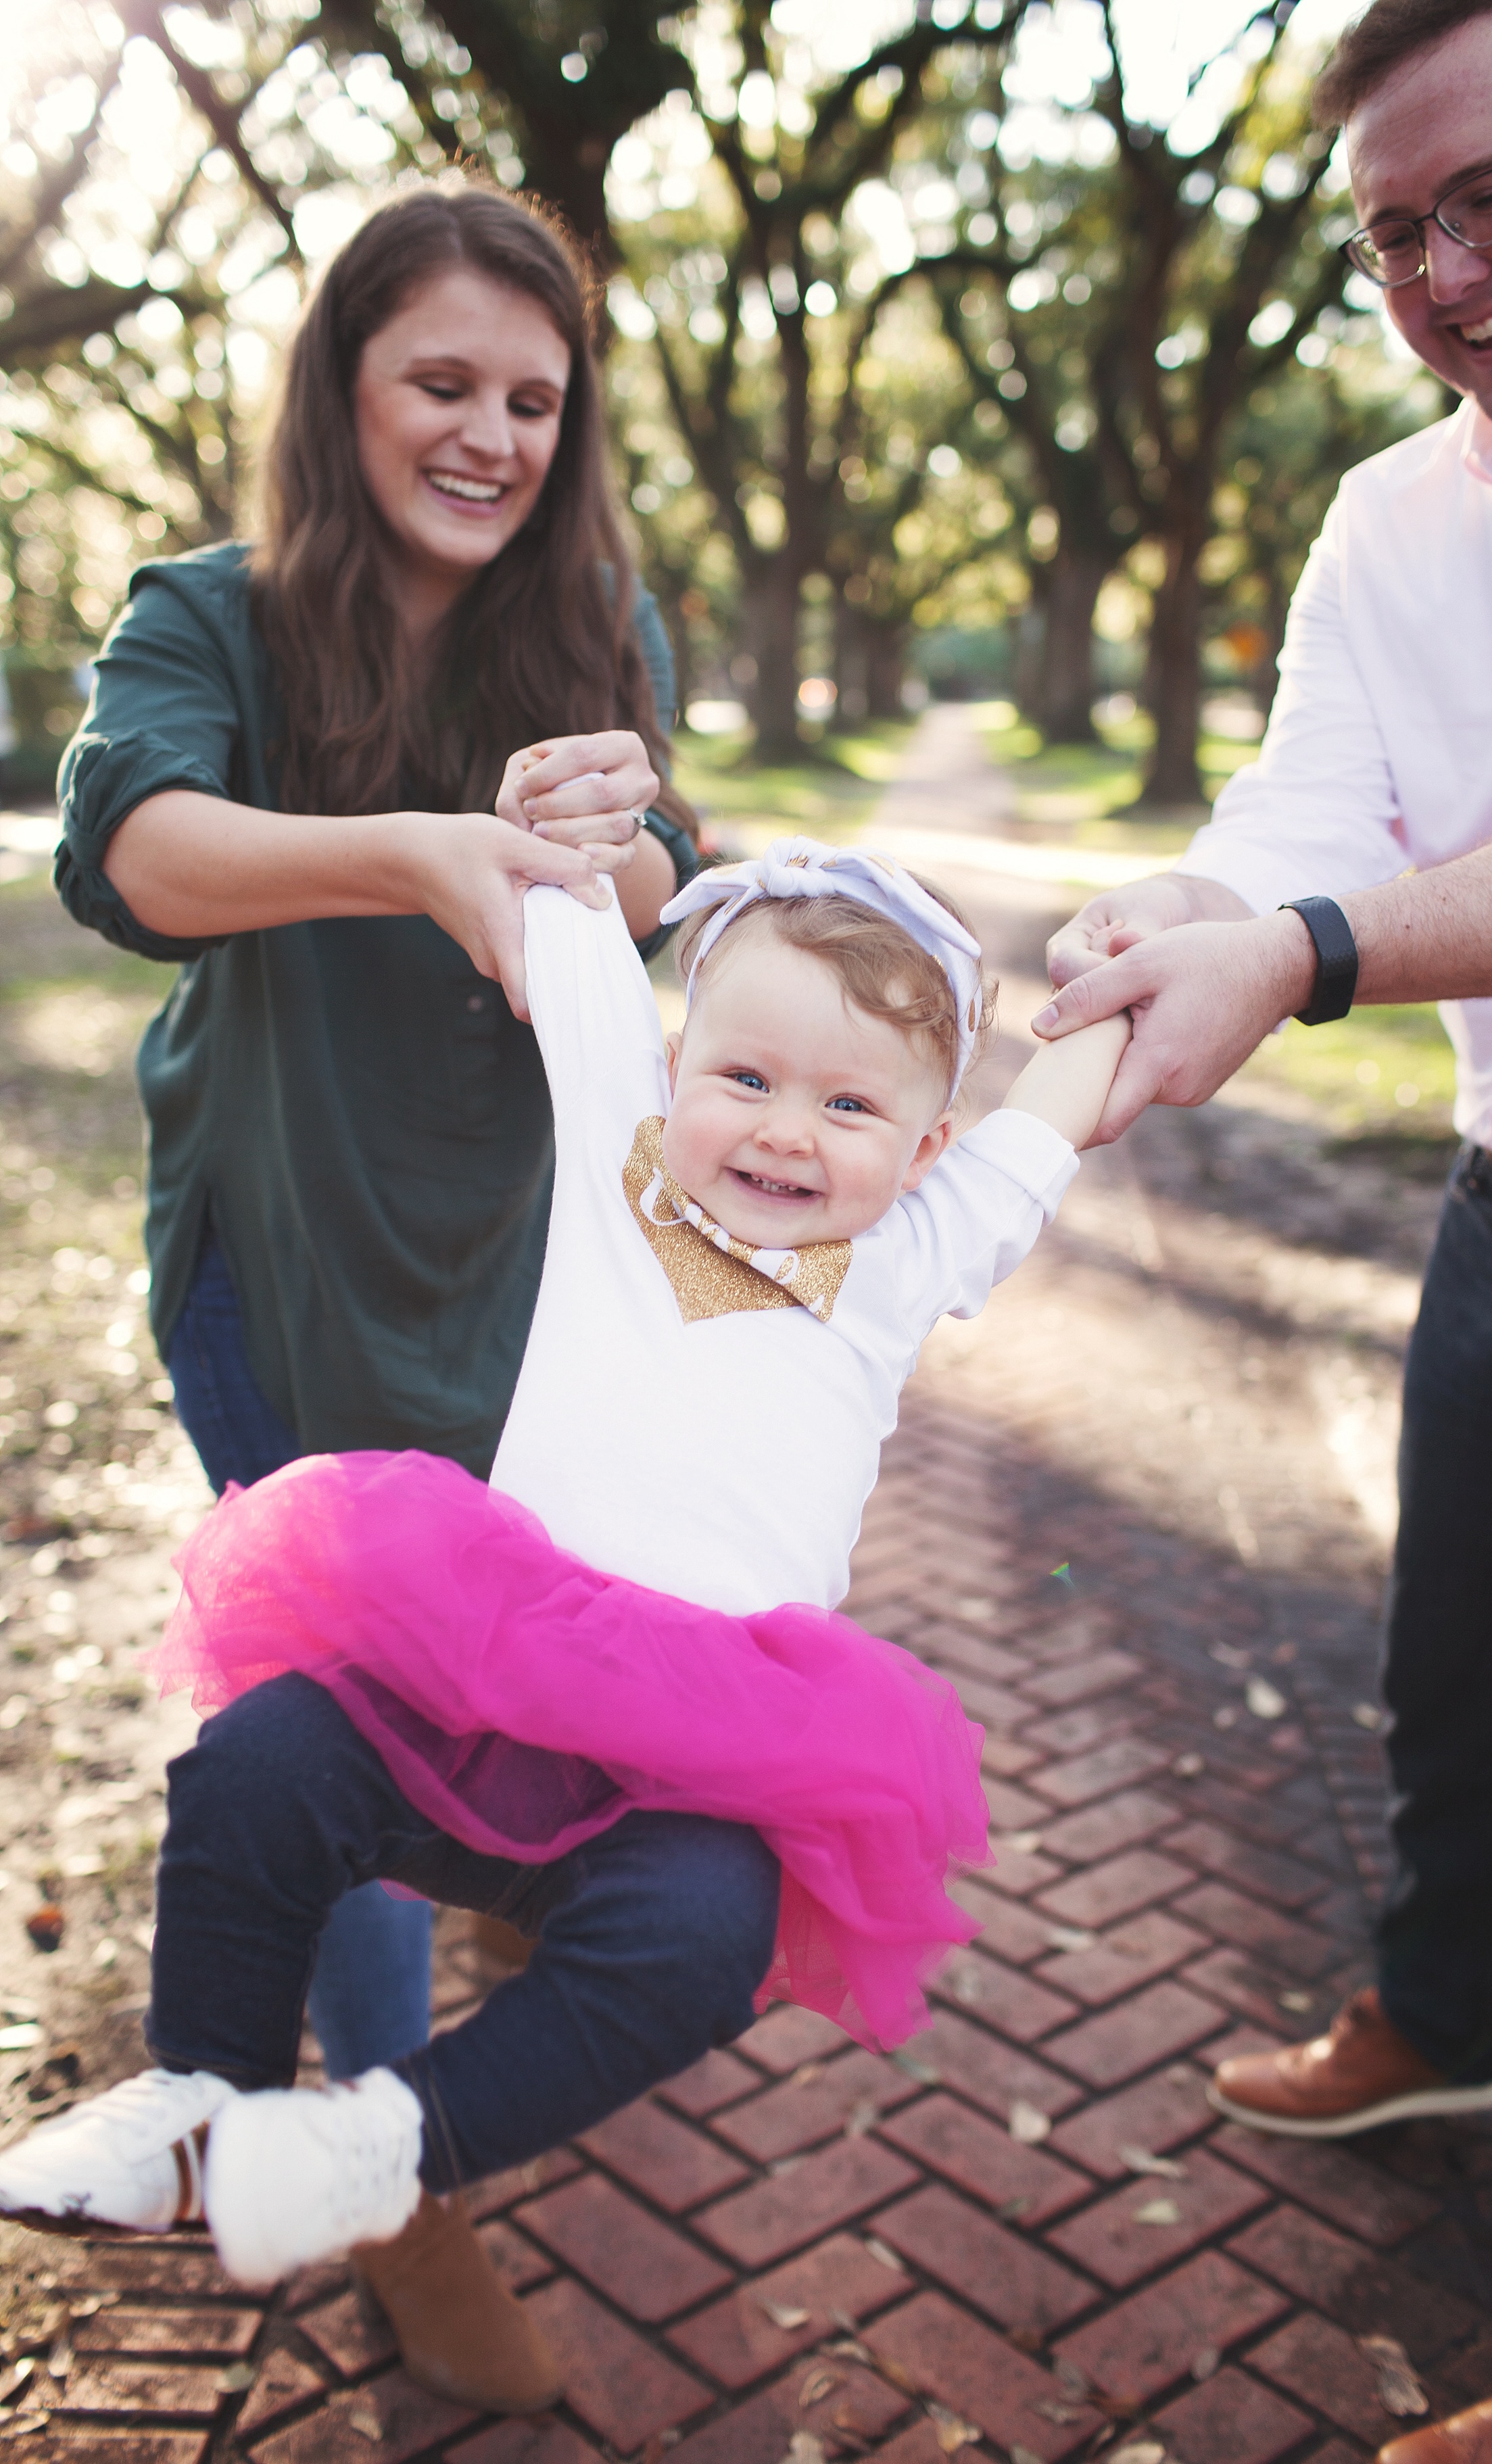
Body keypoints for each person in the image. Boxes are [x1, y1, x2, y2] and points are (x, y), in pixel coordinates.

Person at [0, 844, 1130, 2321]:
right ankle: (196, 2091)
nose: (788, 1132)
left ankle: (382, 2144)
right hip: (479, 1674)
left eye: (851, 1106)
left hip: (701, 1755)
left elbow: (1048, 1122)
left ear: (925, 1151)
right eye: (748, 1076)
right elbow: (578, 930)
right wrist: (567, 818)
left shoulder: (912, 1256)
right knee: (259, 1761)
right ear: (679, 1068)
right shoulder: (626, 1155)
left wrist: (1120, 981)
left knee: (707, 1935)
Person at [1036, 4, 1492, 2456]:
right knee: (1449, 1656)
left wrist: (1303, 958)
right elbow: (1302, 809)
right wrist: (1170, 925)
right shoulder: (1389, 517)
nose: (1444, 267)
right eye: (1396, 228)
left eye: (1488, 190)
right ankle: (1432, 2012)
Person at [52, 174, 697, 2405]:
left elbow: (658, 877)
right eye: (443, 379)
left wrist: (602, 851)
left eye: (535, 395)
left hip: (527, 1281)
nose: (493, 434)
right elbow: (134, 851)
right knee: (329, 1728)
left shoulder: (598, 618)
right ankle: (388, 2168)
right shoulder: (208, 616)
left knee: (508, 1666)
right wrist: (415, 850)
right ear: (342, 388)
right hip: (286, 1263)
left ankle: (467, 1934)